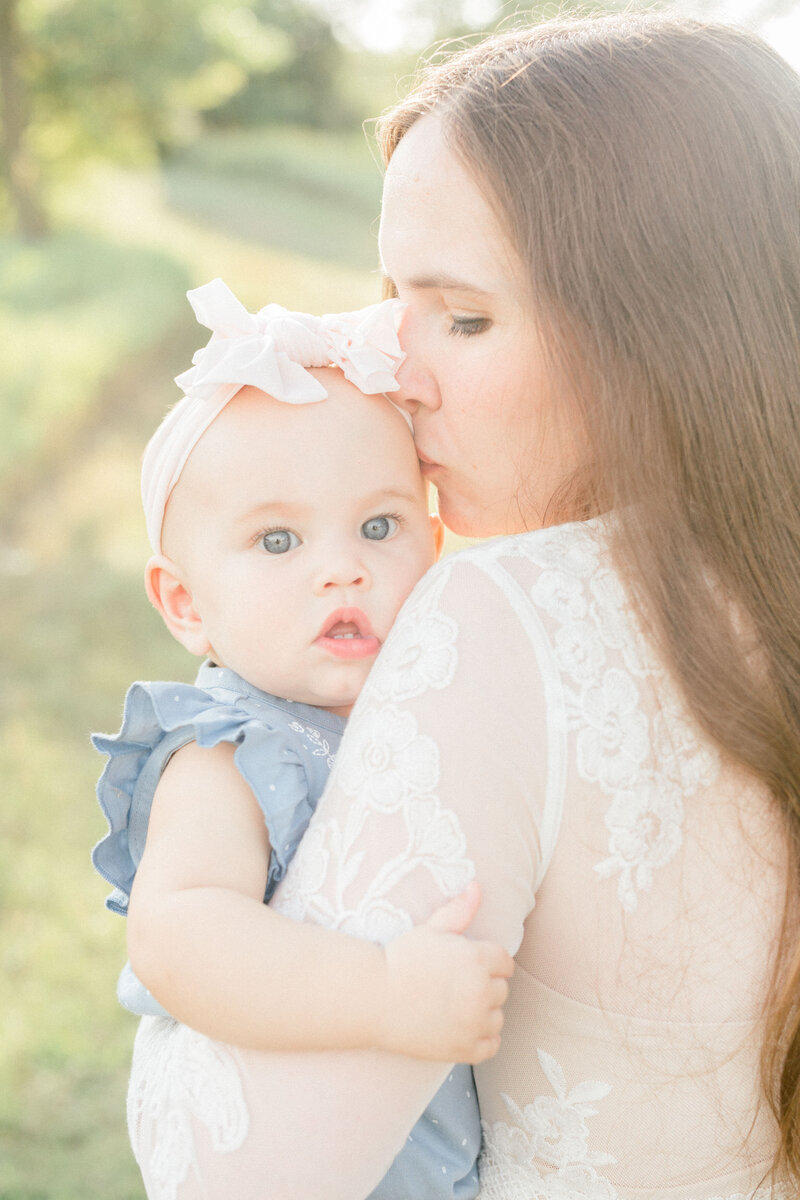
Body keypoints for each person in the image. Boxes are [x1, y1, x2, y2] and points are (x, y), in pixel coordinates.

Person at [109, 12, 800, 1199]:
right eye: (394, 302)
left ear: (658, 331)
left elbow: (228, 1173)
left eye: (462, 316)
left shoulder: (505, 616)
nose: (394, 367)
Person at [91, 278, 514, 1200]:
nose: (342, 569)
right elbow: (180, 936)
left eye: (377, 526)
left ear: (432, 547)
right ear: (187, 604)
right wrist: (384, 994)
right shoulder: (226, 756)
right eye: (279, 542)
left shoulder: (423, 706)